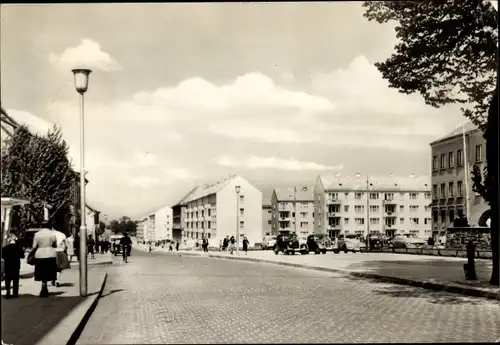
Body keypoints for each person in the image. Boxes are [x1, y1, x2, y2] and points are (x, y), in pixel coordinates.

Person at [32, 222, 58, 297]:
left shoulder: (37, 234)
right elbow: (55, 245)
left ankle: (43, 284)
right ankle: (45, 285)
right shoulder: (52, 234)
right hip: (50, 253)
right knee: (49, 271)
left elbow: (34, 246)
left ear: (41, 226)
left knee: (41, 271)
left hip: (39, 254)